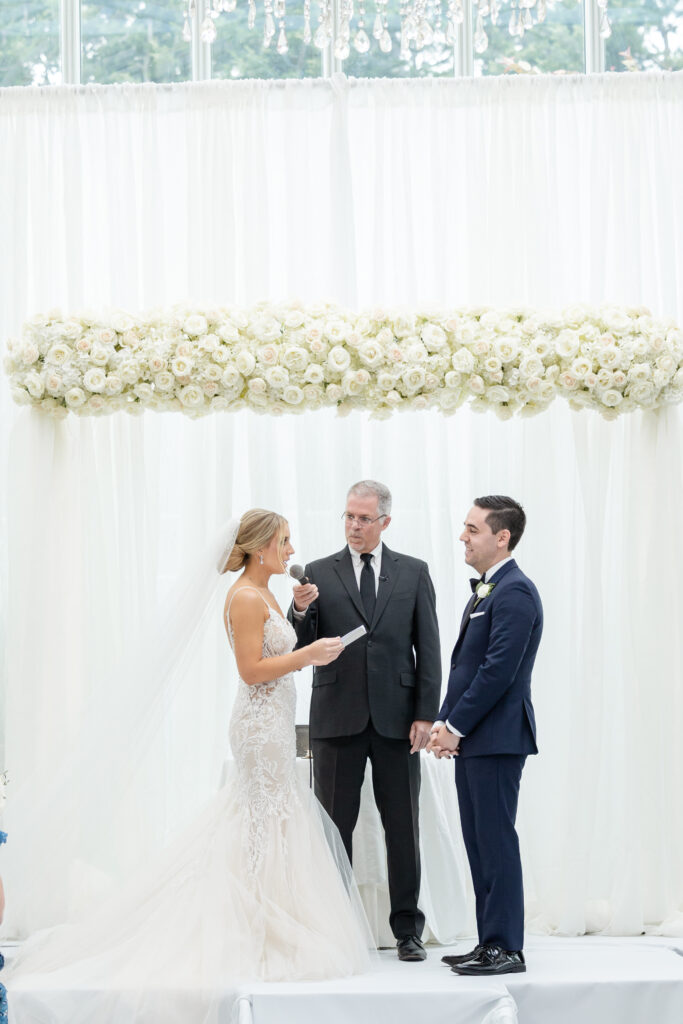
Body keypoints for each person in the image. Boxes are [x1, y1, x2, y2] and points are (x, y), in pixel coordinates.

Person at [8, 511, 372, 1022]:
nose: (292, 551)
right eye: (285, 542)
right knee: (261, 816)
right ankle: (254, 922)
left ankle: (269, 915)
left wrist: (297, 617)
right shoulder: (244, 597)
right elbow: (251, 671)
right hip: (258, 726)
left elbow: (274, 645)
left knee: (271, 819)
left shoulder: (266, 594)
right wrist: (308, 655)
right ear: (261, 546)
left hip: (274, 721)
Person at [289, 481, 441, 962]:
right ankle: (336, 930)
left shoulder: (414, 573)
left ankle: (407, 931)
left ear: (385, 522)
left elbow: (429, 650)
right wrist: (300, 610)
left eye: (364, 518)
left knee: (403, 827)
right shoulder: (316, 572)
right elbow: (302, 647)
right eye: (349, 517)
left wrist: (424, 714)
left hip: (399, 721)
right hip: (337, 718)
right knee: (334, 828)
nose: (354, 525)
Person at [429, 495, 542, 977]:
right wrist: (442, 720)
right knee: (479, 842)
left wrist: (455, 727)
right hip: (477, 737)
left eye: (472, 529)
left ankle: (506, 948)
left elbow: (497, 672)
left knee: (496, 841)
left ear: (502, 537)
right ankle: (488, 941)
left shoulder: (514, 592)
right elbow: (464, 666)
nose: (463, 537)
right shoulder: (488, 590)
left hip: (496, 738)